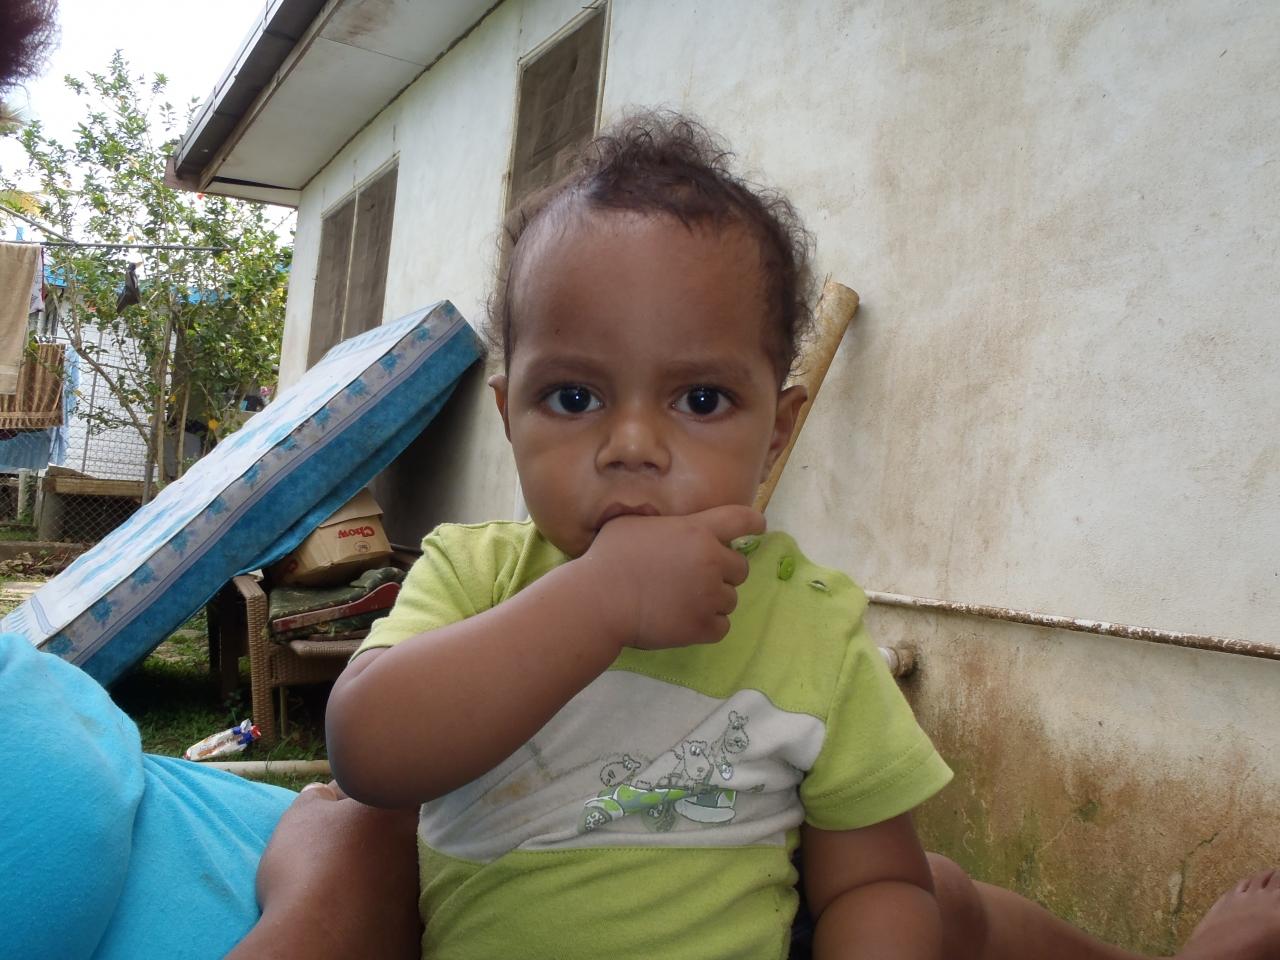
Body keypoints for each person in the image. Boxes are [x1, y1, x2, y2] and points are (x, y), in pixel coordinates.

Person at [321, 112, 1280, 960]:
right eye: (574, 397)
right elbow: (369, 749)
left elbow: (875, 883)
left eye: (701, 399)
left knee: (946, 897)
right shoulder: (475, 575)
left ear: (776, 433)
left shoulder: (810, 627)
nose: (632, 445)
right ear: (508, 415)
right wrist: (597, 601)